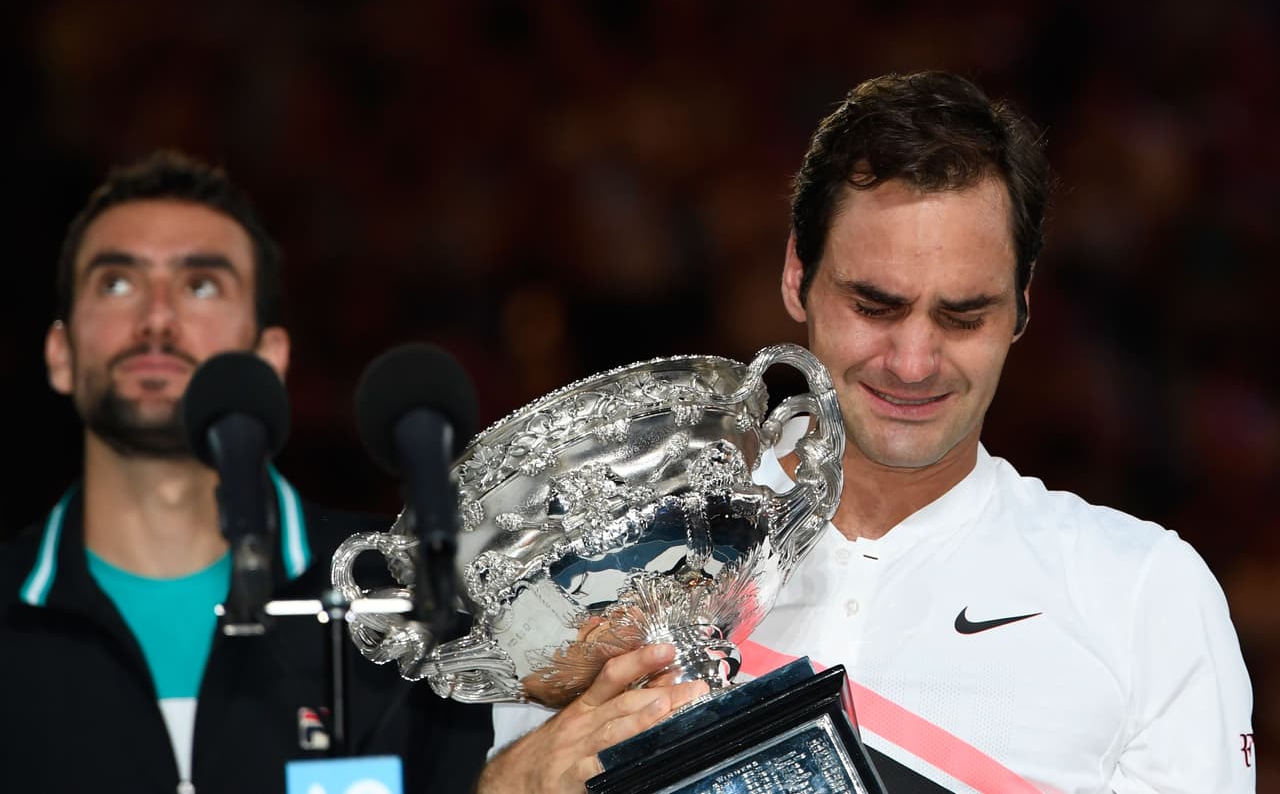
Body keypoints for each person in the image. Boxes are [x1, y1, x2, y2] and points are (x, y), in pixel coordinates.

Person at [477, 72, 1255, 793]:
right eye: (875, 306)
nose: (912, 361)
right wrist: (508, 782)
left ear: (1021, 309)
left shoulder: (1144, 593)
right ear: (795, 277)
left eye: (963, 315)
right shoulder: (612, 557)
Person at [0, 151, 492, 793]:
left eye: (200, 284)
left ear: (271, 358)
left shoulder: (399, 593)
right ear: (60, 353)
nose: (156, 318)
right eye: (117, 282)